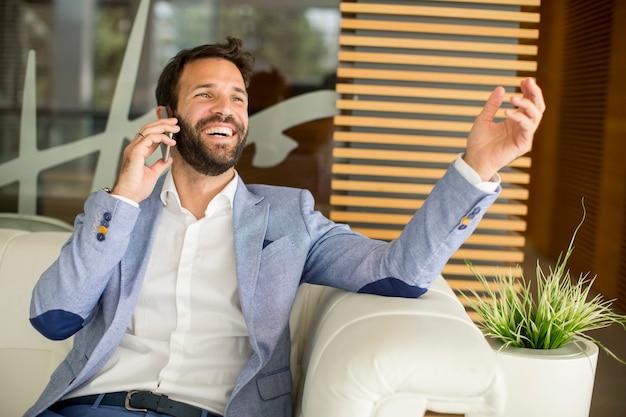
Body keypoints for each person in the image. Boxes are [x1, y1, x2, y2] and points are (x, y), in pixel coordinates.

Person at [27, 37, 545, 417]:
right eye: (205, 94)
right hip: (89, 408)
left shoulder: (288, 217)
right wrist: (122, 198)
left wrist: (477, 168)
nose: (225, 108)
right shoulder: (118, 215)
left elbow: (400, 273)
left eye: (237, 97)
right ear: (168, 116)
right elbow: (54, 318)